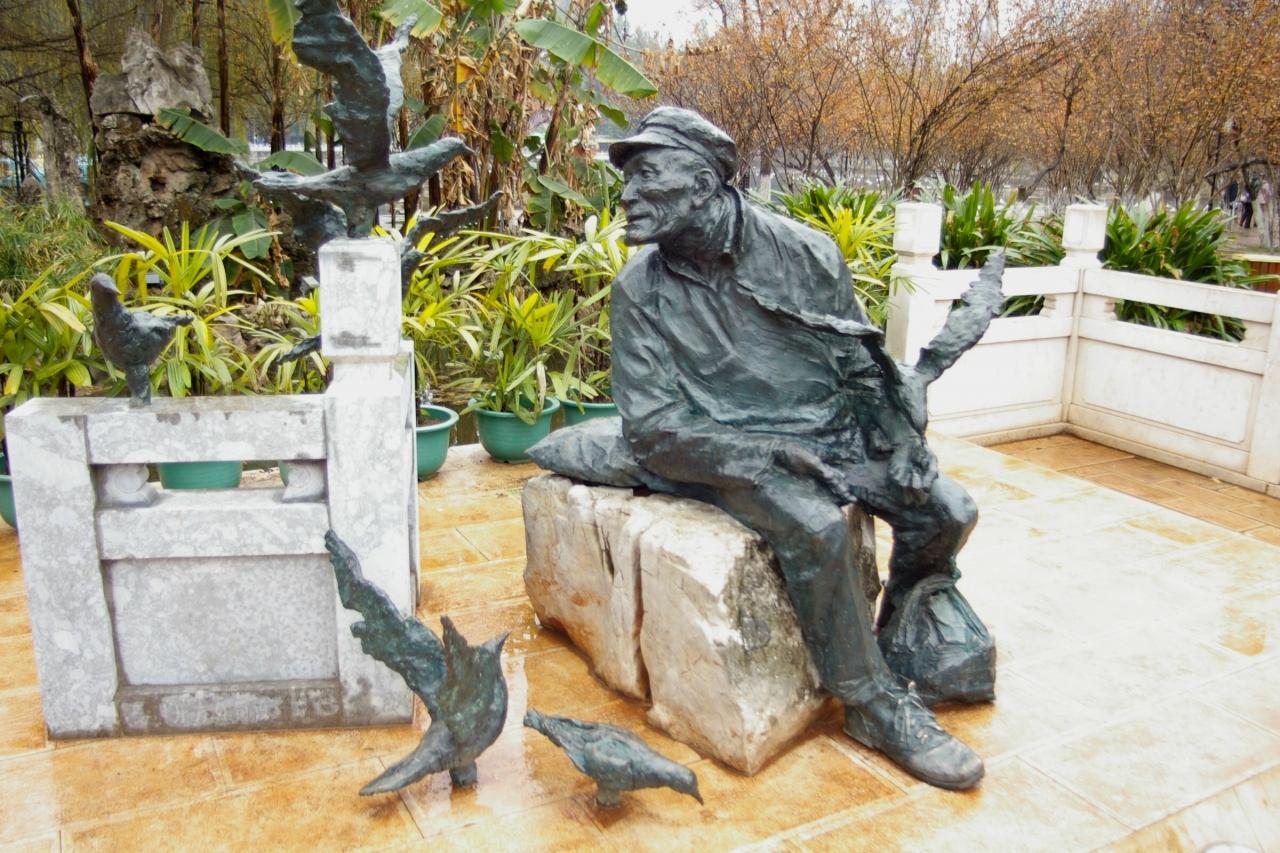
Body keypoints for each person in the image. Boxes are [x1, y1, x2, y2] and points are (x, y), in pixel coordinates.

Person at [600, 107, 986, 790]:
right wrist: (771, 451)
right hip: (722, 449)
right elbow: (653, 426)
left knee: (947, 509)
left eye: (646, 176)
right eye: (626, 180)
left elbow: (859, 364)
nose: (627, 195)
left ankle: (898, 630)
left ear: (703, 184)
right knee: (815, 526)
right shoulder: (639, 291)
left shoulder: (805, 253)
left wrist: (901, 438)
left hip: (828, 432)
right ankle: (870, 702)